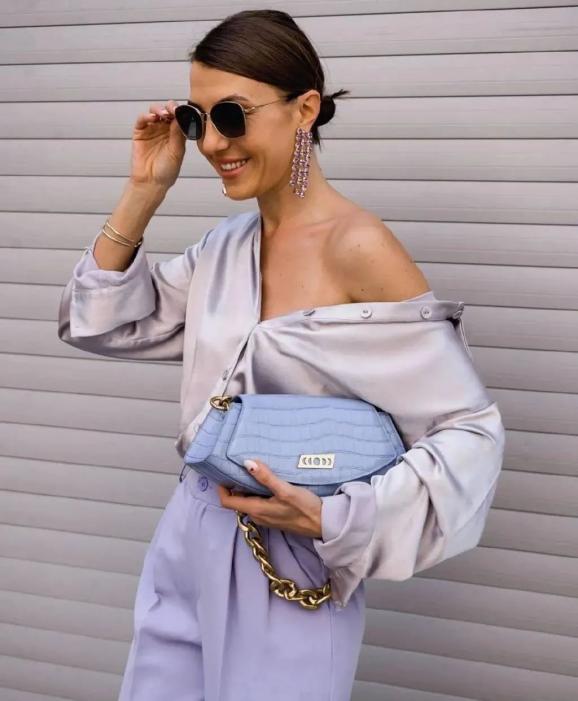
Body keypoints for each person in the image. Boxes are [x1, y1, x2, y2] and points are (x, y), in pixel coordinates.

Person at [57, 9, 506, 701]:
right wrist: (145, 191)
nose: (212, 143)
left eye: (231, 115)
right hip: (190, 531)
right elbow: (101, 324)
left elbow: (469, 431)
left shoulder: (357, 246)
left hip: (287, 554)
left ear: (305, 109)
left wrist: (338, 519)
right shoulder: (227, 246)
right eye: (197, 119)